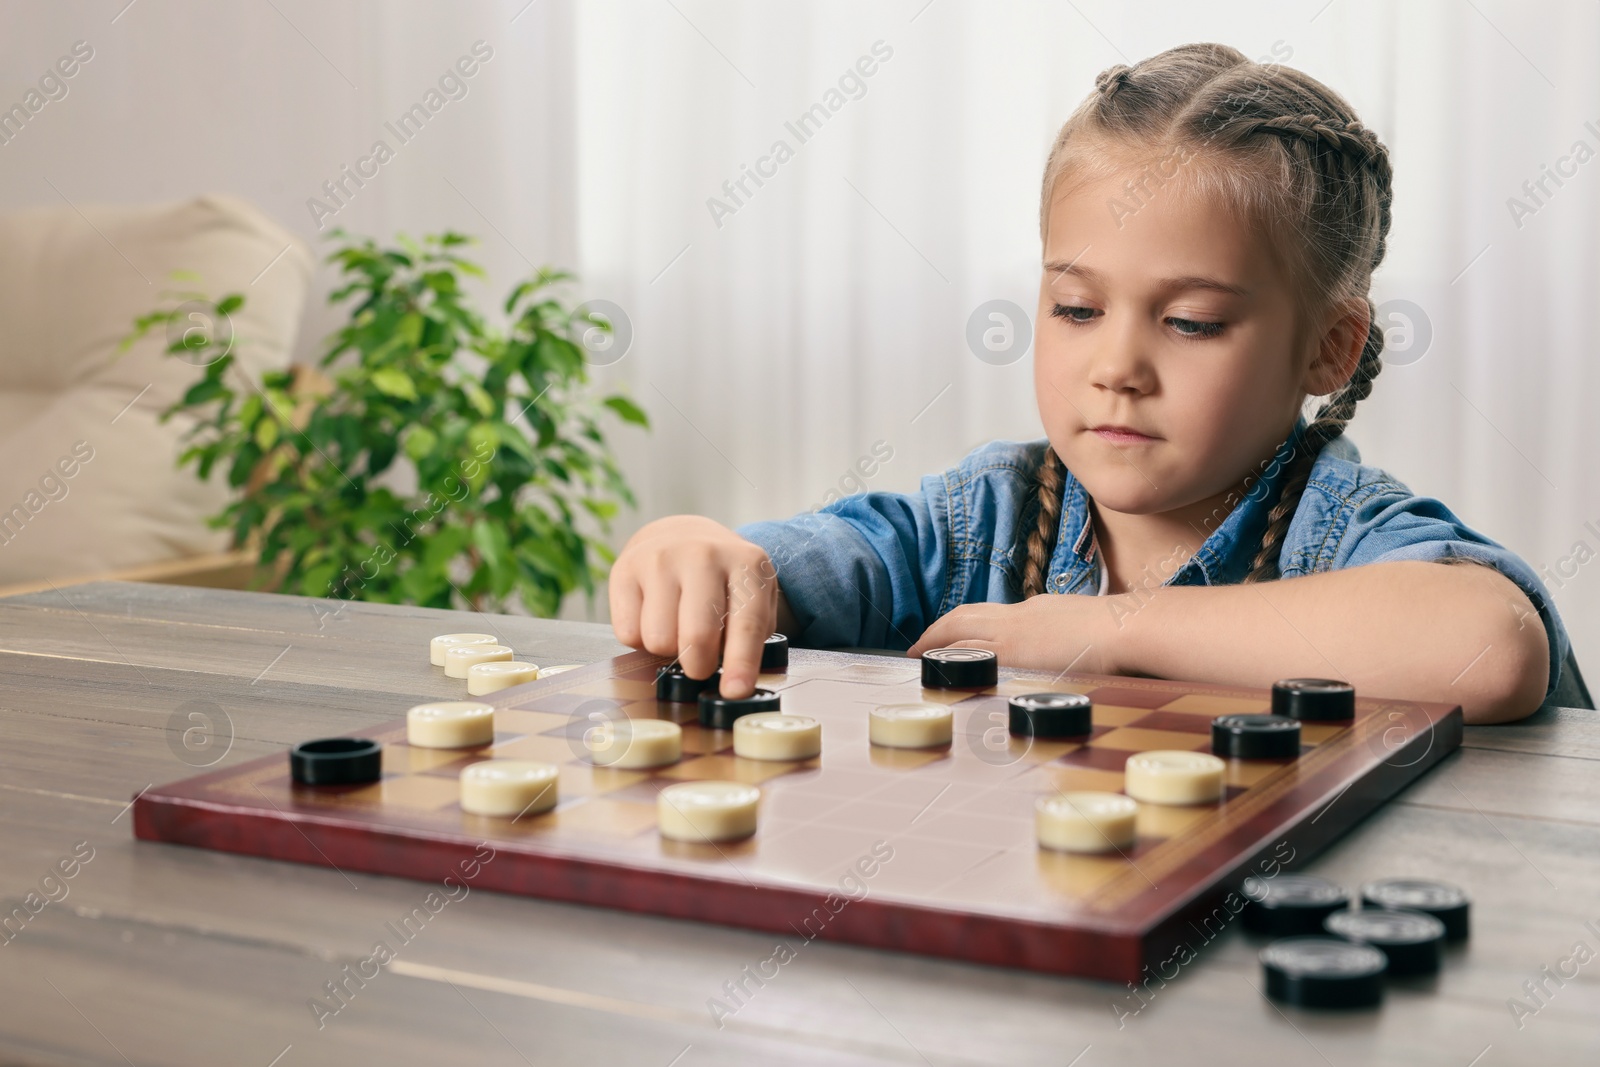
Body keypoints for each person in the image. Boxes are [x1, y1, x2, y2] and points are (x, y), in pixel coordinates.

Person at [608, 43, 1569, 725]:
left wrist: (1104, 630)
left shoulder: (1337, 530)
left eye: (1191, 321)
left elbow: (1492, 643)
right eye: (1076, 309)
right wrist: (690, 546)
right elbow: (780, 572)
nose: (1117, 367)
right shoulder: (978, 521)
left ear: (1328, 348)